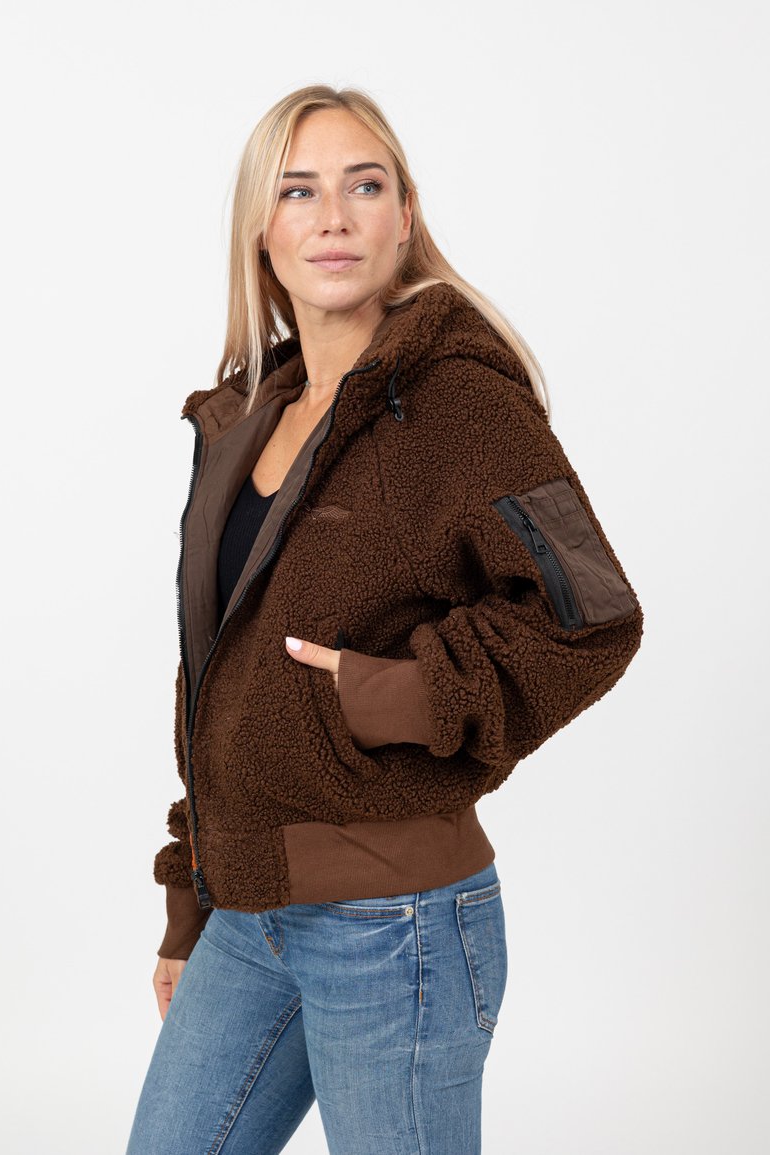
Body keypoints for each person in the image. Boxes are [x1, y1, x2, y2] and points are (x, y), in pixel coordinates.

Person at [126, 84, 643, 1155]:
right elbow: (214, 680)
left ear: (404, 216)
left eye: (364, 186)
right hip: (247, 918)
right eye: (297, 191)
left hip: (396, 926)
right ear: (260, 231)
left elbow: (593, 615)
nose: (333, 217)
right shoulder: (248, 415)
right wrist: (191, 900)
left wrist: (391, 694)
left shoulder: (457, 399)